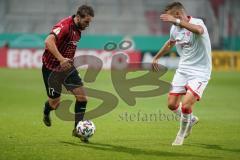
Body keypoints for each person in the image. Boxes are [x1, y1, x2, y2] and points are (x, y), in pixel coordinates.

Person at [152, 2, 212, 146]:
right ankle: (190, 119)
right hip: (183, 69)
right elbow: (171, 43)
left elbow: (198, 30)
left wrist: (177, 21)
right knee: (172, 105)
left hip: (200, 71)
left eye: (171, 18)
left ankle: (181, 135)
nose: (171, 23)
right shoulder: (175, 28)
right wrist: (156, 57)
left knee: (186, 105)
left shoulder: (197, 22)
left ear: (178, 15)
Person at [41, 5, 94, 142]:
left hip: (67, 68)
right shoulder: (65, 26)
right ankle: (47, 110)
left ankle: (78, 130)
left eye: (89, 22)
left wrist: (65, 62)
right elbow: (48, 41)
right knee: (55, 103)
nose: (88, 25)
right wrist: (61, 59)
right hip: (51, 69)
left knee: (82, 98)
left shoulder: (78, 29)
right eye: (86, 22)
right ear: (78, 17)